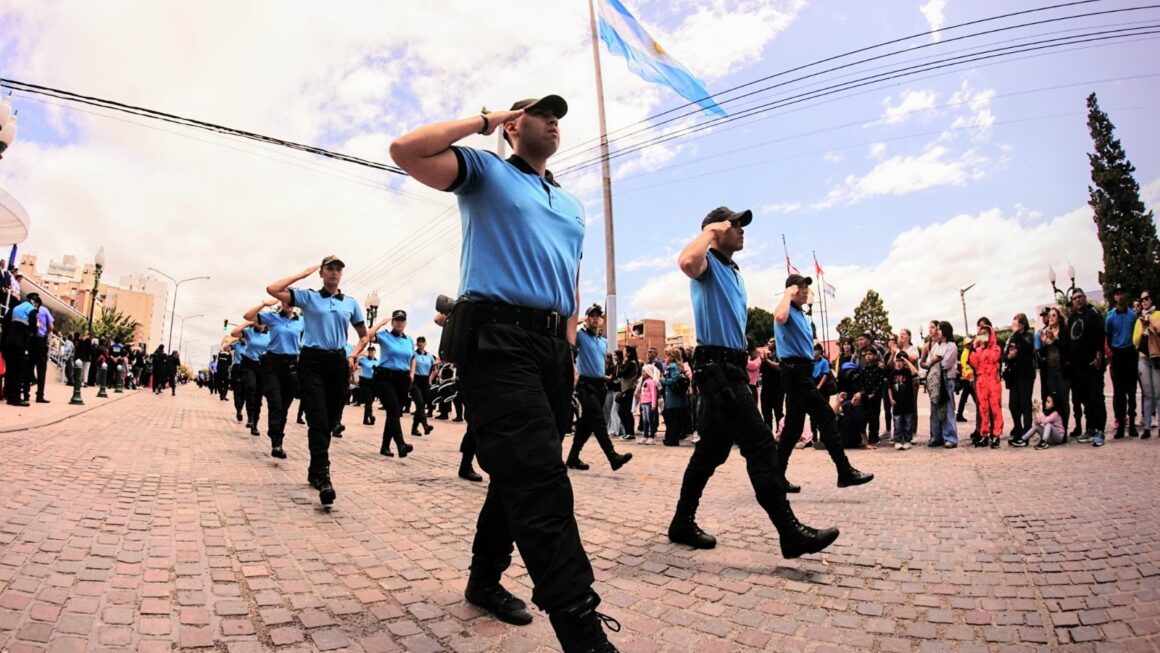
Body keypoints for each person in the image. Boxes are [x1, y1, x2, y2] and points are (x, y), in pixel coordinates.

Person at [391, 94, 619, 649]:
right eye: (542, 113)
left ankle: (483, 579)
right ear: (516, 127)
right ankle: (580, 626)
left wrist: (567, 352)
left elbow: (570, 283)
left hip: (549, 350)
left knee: (519, 470)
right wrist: (487, 121)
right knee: (540, 478)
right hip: (495, 340)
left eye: (558, 116)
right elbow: (405, 150)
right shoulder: (486, 171)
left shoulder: (572, 205)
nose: (553, 122)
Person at [668, 206, 846, 563]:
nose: (741, 229)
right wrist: (711, 232)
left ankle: (681, 523)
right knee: (761, 443)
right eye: (734, 224)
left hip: (729, 366)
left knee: (712, 452)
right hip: (716, 366)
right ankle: (789, 532)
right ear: (717, 229)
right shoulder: (706, 263)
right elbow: (686, 260)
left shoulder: (733, 271)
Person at [266, 257, 367, 506]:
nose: (334, 272)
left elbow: (364, 336)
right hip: (312, 362)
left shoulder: (351, 303)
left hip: (337, 363)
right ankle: (323, 475)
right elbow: (273, 290)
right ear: (322, 273)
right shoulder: (309, 298)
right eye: (330, 268)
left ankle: (314, 469)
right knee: (319, 421)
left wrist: (353, 355)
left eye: (338, 269)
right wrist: (301, 274)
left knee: (332, 419)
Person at [567, 304, 633, 470]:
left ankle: (573, 457)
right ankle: (613, 456)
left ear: (602, 320)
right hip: (585, 385)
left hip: (600, 386)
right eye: (592, 315)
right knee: (598, 419)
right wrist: (582, 319)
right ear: (587, 318)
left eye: (598, 316)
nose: (595, 318)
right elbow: (568, 325)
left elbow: (597, 365)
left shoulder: (604, 342)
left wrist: (604, 377)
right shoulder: (580, 336)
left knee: (586, 425)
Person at [350, 309, 415, 458]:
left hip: (403, 379)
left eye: (402, 320)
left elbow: (412, 358)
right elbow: (367, 336)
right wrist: (380, 323)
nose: (399, 322)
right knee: (393, 410)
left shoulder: (409, 340)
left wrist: (411, 373)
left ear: (405, 323)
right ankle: (401, 444)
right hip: (385, 378)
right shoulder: (385, 336)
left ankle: (385, 446)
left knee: (394, 413)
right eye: (396, 320)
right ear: (392, 322)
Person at [248, 299, 303, 458]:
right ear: (281, 302)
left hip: (292, 365)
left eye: (292, 301)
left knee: (284, 407)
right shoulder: (272, 317)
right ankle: (275, 441)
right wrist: (264, 303)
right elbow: (248, 315)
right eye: (286, 301)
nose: (289, 303)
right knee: (275, 403)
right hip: (272, 364)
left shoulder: (301, 321)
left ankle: (278, 441)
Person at [1068, 288, 1107, 446]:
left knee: (1097, 397)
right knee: (1086, 400)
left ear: (1085, 298)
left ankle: (1100, 431)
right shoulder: (1071, 319)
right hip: (1079, 368)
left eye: (1080, 297)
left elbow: (1099, 337)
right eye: (1074, 298)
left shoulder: (1093, 314)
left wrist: (1098, 356)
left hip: (1093, 365)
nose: (1077, 300)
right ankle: (1090, 428)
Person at [1105, 287, 1138, 439]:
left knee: (1131, 392)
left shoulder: (1133, 315)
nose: (1120, 296)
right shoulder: (1110, 317)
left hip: (1130, 353)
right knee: (1119, 393)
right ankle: (1120, 427)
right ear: (1114, 298)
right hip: (1118, 354)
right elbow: (1108, 338)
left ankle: (1132, 425)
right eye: (1117, 294)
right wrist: (1111, 356)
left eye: (1122, 293)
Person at [231, 318, 270, 436]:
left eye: (263, 320)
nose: (260, 322)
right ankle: (250, 417)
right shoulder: (249, 332)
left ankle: (255, 424)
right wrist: (248, 322)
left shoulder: (271, 333)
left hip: (263, 366)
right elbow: (234, 333)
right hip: (249, 364)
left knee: (258, 396)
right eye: (258, 320)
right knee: (250, 388)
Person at [924, 321, 959, 448]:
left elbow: (946, 363)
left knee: (947, 408)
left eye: (939, 329)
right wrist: (934, 360)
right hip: (935, 380)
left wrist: (935, 360)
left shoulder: (951, 346)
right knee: (935, 409)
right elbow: (928, 361)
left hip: (946, 379)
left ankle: (950, 437)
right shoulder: (936, 346)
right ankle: (936, 436)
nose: (937, 332)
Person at [1038, 307, 1071, 438]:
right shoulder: (1046, 332)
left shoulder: (1064, 331)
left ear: (1058, 318)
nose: (1051, 318)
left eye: (1054, 315)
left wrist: (1054, 339)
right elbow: (1042, 355)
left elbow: (1066, 349)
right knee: (1054, 400)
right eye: (1050, 316)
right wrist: (1044, 343)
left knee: (1063, 399)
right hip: (1050, 371)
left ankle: (1065, 429)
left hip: (1062, 370)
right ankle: (1057, 428)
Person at [1004, 313, 1036, 441]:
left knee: (1025, 403)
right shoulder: (1012, 338)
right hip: (1015, 376)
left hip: (1026, 375)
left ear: (1022, 324)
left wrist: (1017, 333)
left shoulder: (1028, 335)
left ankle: (1026, 432)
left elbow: (1026, 347)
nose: (1013, 327)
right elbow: (1005, 353)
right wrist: (1009, 356)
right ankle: (1018, 428)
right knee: (1013, 404)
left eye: (1016, 324)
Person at [2, 293, 37, 406]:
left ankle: (8, 395)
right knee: (19, 370)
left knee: (10, 369)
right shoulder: (31, 309)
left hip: (9, 342)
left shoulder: (15, 308)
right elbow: (34, 328)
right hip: (21, 343)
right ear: (34, 302)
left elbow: (5, 323)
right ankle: (16, 398)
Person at [1135, 290, 1159, 438]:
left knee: (1158, 393)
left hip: (1156, 356)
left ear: (1151, 299)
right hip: (1143, 357)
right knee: (1148, 394)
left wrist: (1150, 325)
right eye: (1141, 299)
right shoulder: (1139, 319)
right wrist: (1143, 328)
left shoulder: (1158, 315)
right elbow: (1135, 341)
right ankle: (1147, 427)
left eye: (1146, 298)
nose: (1144, 301)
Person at [888, 351, 918, 449]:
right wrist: (891, 399)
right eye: (897, 361)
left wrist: (906, 361)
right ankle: (898, 440)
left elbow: (915, 372)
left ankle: (908, 440)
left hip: (907, 403)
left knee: (908, 422)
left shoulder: (907, 372)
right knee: (897, 423)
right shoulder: (892, 373)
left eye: (901, 361)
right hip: (897, 403)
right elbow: (889, 388)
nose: (899, 363)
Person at [28, 298, 54, 403]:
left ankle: (26, 393)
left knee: (30, 365)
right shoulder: (44, 310)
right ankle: (40, 395)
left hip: (31, 339)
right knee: (42, 369)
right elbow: (51, 326)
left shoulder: (30, 309)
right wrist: (46, 333)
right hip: (41, 341)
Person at [410, 337, 436, 436]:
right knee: (420, 404)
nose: (421, 344)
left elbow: (435, 369)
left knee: (421, 406)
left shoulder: (430, 356)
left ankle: (414, 429)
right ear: (417, 344)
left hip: (425, 381)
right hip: (415, 381)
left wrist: (430, 379)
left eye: (422, 343)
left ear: (425, 344)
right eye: (419, 343)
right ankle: (425, 425)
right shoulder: (413, 355)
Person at [759, 337, 784, 429]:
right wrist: (763, 361)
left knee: (778, 414)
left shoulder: (780, 355)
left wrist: (767, 361)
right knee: (766, 414)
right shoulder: (767, 357)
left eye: (771, 342)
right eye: (768, 342)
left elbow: (779, 368)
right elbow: (760, 371)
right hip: (765, 390)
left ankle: (780, 435)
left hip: (777, 390)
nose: (768, 343)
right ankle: (769, 437)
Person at [356, 345, 377, 426]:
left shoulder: (377, 361)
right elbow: (356, 358)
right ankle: (371, 416)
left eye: (373, 350)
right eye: (370, 350)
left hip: (373, 382)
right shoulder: (363, 359)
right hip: (365, 382)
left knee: (370, 402)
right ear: (368, 351)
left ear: (375, 352)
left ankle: (365, 419)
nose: (371, 352)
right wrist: (362, 352)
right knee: (368, 401)